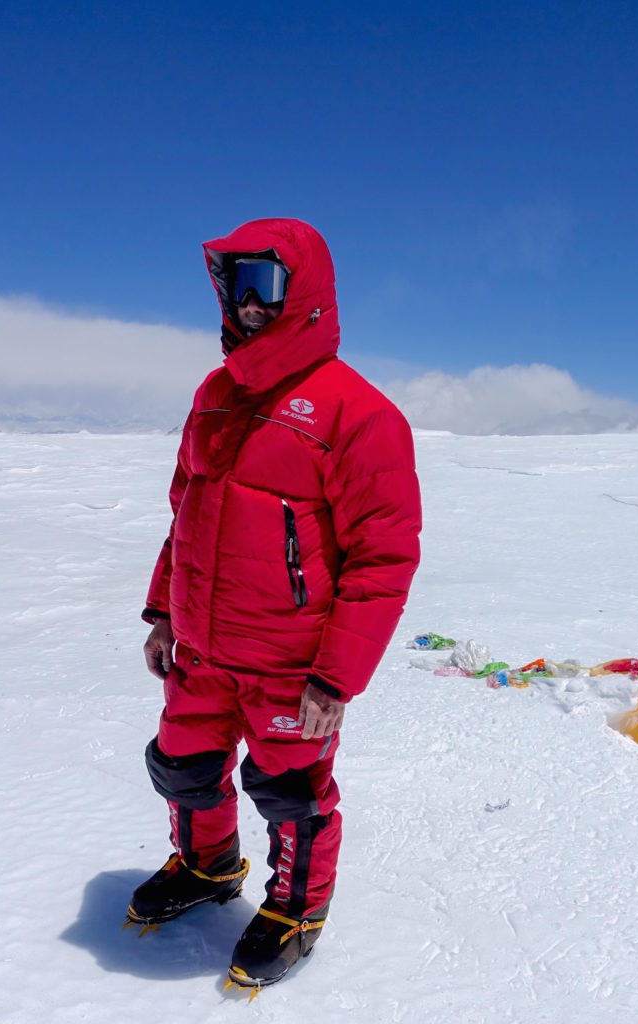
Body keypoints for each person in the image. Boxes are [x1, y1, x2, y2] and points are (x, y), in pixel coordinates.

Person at [125, 217, 422, 990]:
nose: (248, 304)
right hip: (202, 649)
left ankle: (297, 908)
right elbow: (186, 511)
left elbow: (383, 558)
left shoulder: (360, 414)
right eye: (234, 284)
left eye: (265, 284)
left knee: (290, 794)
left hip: (293, 667)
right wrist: (163, 613)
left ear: (306, 294)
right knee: (182, 768)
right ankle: (207, 866)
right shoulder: (214, 397)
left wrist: (336, 678)